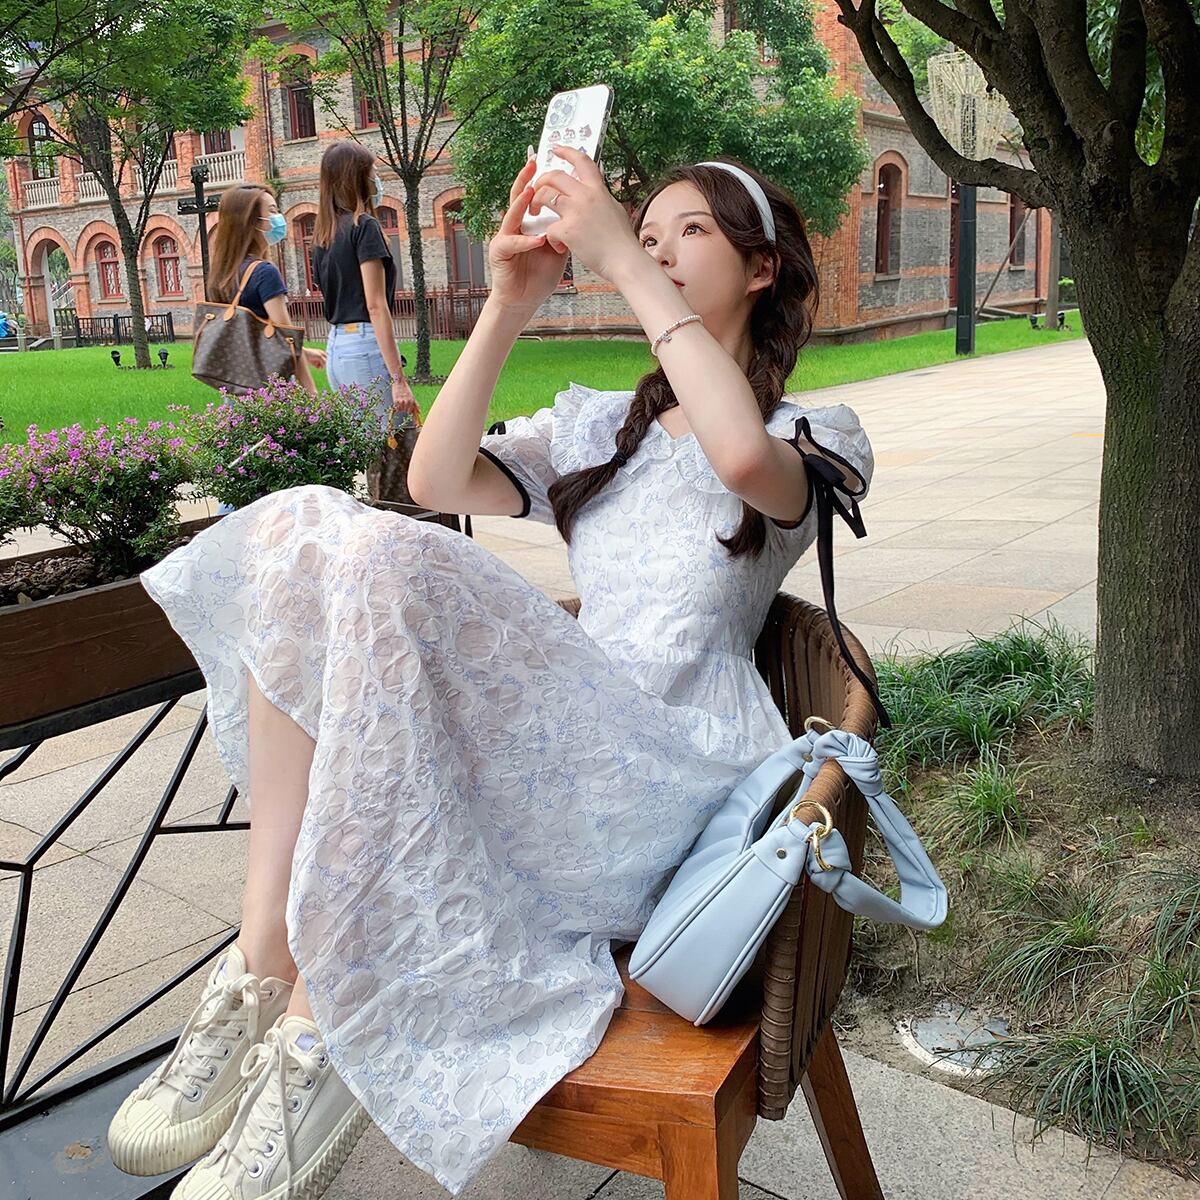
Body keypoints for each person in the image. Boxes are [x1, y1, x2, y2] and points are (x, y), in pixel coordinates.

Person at [111, 145, 874, 1198]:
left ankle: (320, 1031)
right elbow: (433, 478)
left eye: (688, 232)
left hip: (674, 791)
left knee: (384, 560)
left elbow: (740, 458)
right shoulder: (598, 425)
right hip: (563, 758)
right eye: (646, 234)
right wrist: (509, 302)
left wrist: (620, 258)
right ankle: (265, 967)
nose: (655, 249)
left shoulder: (811, 432)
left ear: (761, 268)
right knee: (303, 527)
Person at [311, 140, 419, 427]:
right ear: (357, 177)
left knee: (366, 442)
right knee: (394, 439)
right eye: (373, 171)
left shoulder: (323, 235)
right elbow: (375, 305)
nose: (376, 178)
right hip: (364, 345)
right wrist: (398, 380)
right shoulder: (364, 226)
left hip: (338, 346)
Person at [205, 184, 325, 397]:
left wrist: (305, 352)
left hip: (236, 385)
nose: (279, 217)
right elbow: (288, 338)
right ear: (252, 222)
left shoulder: (224, 273)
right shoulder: (264, 272)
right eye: (272, 211)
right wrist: (311, 393)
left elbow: (252, 332)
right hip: (268, 388)